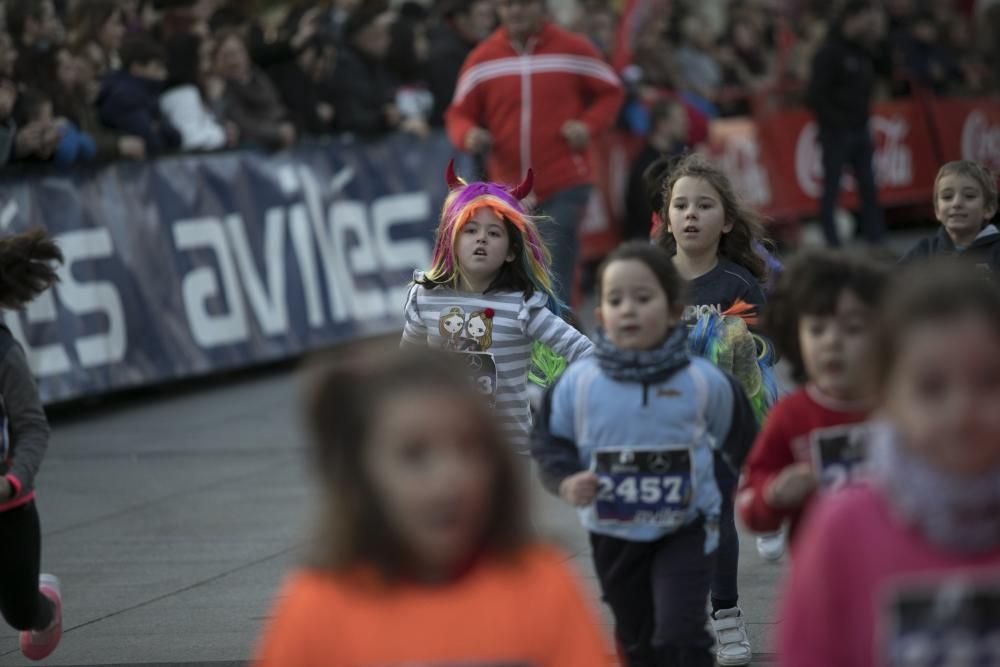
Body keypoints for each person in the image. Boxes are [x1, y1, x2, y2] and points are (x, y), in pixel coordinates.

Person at [254, 349, 613, 667]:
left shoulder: (540, 585)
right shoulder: (318, 606)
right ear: (360, 473)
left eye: (469, 447)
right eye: (415, 454)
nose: (450, 476)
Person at [532, 241, 758, 667]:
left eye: (643, 297)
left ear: (674, 311)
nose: (629, 309)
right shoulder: (580, 383)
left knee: (679, 630)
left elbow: (742, 440)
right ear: (601, 317)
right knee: (636, 639)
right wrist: (565, 478)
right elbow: (549, 441)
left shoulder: (703, 381)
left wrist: (721, 488)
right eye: (616, 300)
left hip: (685, 530)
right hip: (614, 535)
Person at [778, 262, 1000, 667]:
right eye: (931, 387)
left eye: (989, 380)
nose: (962, 411)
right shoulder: (842, 527)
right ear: (887, 397)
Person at [652, 152, 772, 665]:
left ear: (726, 222)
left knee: (716, 517)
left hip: (721, 425)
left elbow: (768, 353)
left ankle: (726, 616)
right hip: (661, 423)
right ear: (667, 218)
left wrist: (741, 345)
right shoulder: (652, 278)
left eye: (705, 205)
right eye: (681, 204)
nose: (692, 214)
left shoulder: (739, 286)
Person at [402, 162, 593, 451]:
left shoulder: (523, 306)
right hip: (444, 449)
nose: (481, 237)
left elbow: (583, 351)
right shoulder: (426, 297)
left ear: (511, 252)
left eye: (494, 233)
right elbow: (408, 368)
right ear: (450, 240)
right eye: (470, 230)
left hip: (508, 455)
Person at [446, 0, 625, 304]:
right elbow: (458, 113)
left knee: (552, 266)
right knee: (520, 273)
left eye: (524, 4)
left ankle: (557, 342)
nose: (515, 11)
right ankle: (563, 337)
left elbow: (611, 91)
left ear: (541, 8)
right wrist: (469, 134)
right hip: (509, 190)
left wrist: (587, 126)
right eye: (507, 5)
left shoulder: (572, 48)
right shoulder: (482, 59)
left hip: (565, 179)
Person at [736, 249, 888, 556]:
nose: (833, 341)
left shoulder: (907, 408)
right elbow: (751, 504)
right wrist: (774, 493)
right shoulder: (791, 416)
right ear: (795, 336)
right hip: (823, 577)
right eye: (817, 329)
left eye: (853, 328)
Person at [0, 228, 65, 662]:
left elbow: (33, 427)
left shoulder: (6, 355)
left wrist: (11, 482)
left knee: (20, 612)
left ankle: (46, 606)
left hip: (9, 508)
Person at [806, 0, 889, 246]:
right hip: (837, 132)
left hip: (861, 129)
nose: (868, 24)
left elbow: (888, 71)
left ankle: (876, 241)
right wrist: (835, 123)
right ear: (851, 18)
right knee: (832, 190)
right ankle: (833, 244)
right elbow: (814, 95)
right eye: (865, 18)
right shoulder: (828, 52)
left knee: (869, 187)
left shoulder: (863, 50)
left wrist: (880, 37)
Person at [901, 160, 999, 272]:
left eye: (969, 196)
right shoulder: (924, 251)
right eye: (947, 197)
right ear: (937, 210)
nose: (956, 203)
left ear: (989, 209)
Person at [97, 33, 182, 156]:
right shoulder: (125, 96)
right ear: (137, 68)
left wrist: (158, 127)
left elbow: (176, 137)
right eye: (157, 68)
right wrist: (157, 128)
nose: (164, 74)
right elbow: (151, 142)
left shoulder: (148, 98)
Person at [210, 30, 296, 150]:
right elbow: (243, 123)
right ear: (217, 61)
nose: (234, 60)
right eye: (227, 55)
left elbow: (276, 106)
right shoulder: (221, 90)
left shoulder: (259, 77)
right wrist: (278, 132)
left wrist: (287, 126)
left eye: (238, 52)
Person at [330, 3, 402, 137]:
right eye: (379, 35)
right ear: (362, 36)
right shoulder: (346, 67)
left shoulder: (376, 63)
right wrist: (383, 118)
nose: (387, 41)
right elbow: (352, 115)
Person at [623, 98, 689, 241]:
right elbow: (646, 213)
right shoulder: (647, 166)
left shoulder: (678, 156)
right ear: (662, 124)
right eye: (680, 118)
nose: (686, 123)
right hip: (650, 241)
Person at [426, 0, 495, 127]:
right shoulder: (445, 53)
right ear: (462, 19)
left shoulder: (472, 45)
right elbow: (455, 103)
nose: (488, 24)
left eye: (490, 16)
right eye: (482, 16)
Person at [160, 32, 231, 151]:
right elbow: (193, 140)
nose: (207, 65)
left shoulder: (190, 92)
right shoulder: (183, 94)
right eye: (202, 58)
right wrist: (223, 134)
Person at [67, 0, 125, 81]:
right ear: (97, 24)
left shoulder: (112, 57)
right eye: (115, 23)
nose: (122, 30)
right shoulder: (80, 63)